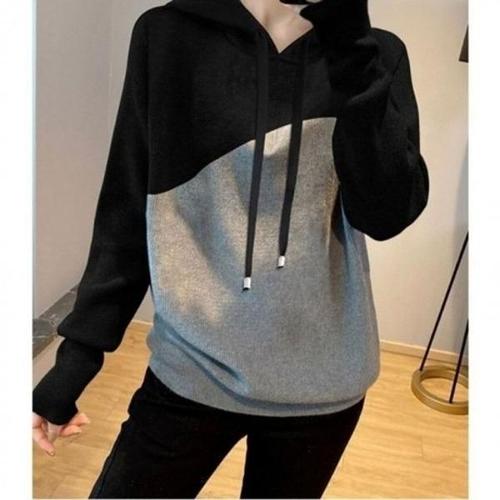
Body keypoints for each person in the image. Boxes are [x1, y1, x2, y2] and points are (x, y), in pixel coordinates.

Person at [32, 0, 430, 498]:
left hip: (323, 384)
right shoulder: (167, 35)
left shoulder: (375, 54)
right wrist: (77, 359)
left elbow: (386, 215)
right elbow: (127, 205)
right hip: (190, 370)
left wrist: (352, 47)